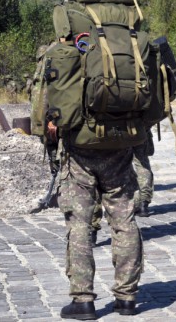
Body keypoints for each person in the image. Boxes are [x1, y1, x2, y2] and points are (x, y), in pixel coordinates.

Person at [56, 135, 143, 318]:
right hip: (119, 148)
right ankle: (126, 297)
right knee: (125, 222)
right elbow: (150, 118)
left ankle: (83, 300)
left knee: (79, 225)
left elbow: (42, 122)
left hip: (78, 152)